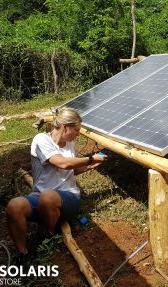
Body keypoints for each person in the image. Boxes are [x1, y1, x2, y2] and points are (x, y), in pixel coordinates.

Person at [6, 107, 107, 264]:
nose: (78, 134)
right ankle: (22, 253)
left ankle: (48, 233)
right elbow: (62, 163)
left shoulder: (69, 144)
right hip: (41, 197)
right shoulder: (41, 140)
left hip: (69, 197)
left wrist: (89, 166)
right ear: (65, 127)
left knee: (48, 197)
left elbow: (72, 169)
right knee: (14, 206)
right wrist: (89, 159)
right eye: (76, 130)